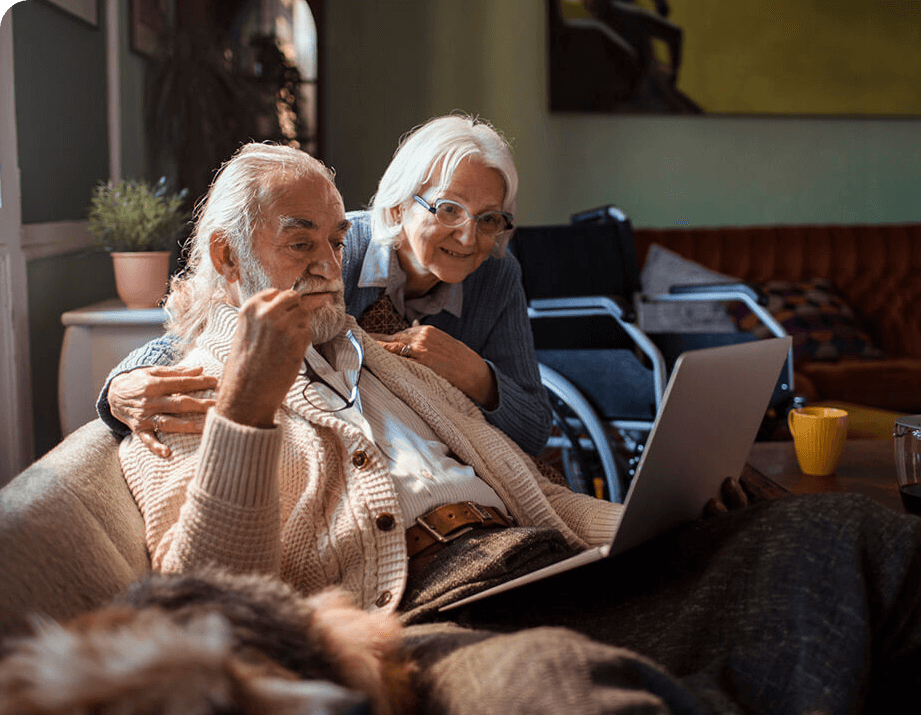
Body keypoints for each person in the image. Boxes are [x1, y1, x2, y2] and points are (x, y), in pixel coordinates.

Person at [121, 141, 921, 714]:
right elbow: (199, 601)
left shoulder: (382, 349)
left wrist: (655, 526)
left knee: (837, 530)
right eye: (303, 243)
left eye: (336, 240)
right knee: (557, 680)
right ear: (227, 258)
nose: (330, 262)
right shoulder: (184, 388)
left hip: (541, 559)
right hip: (429, 608)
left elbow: (523, 472)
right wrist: (245, 407)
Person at [97, 115, 551, 458]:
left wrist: (473, 373)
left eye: (489, 218)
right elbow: (214, 326)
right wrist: (120, 386)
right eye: (448, 209)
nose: (470, 237)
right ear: (398, 206)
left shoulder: (496, 275)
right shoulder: (335, 249)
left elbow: (533, 431)